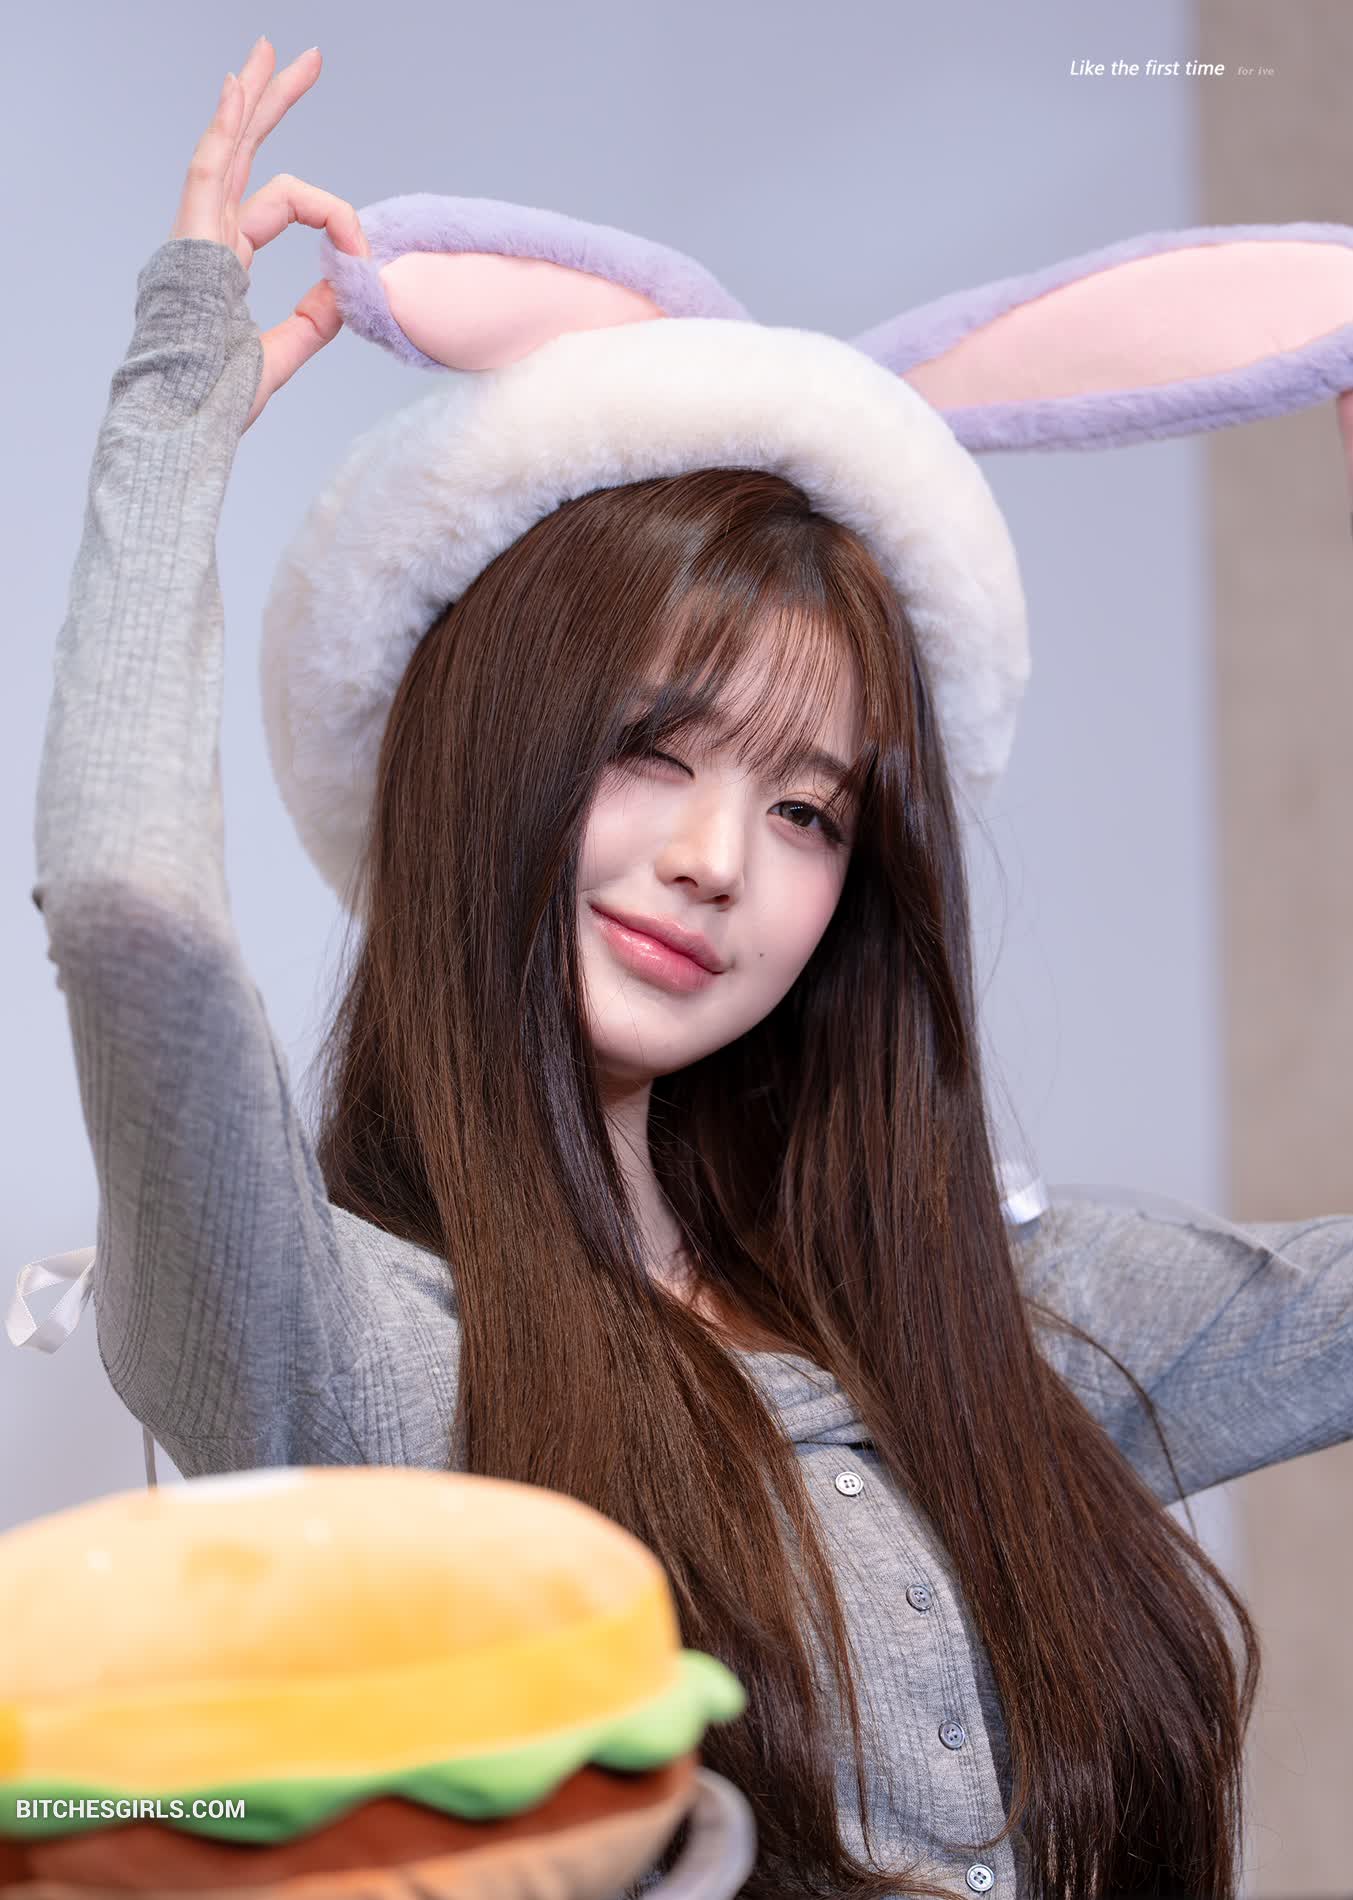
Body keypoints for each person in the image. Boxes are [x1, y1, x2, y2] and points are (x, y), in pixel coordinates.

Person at [29, 36, 1353, 1900]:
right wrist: (175, 414)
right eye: (652, 747)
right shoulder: (341, 1352)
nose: (717, 861)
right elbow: (128, 914)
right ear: (485, 751)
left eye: (808, 810)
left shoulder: (989, 1320)